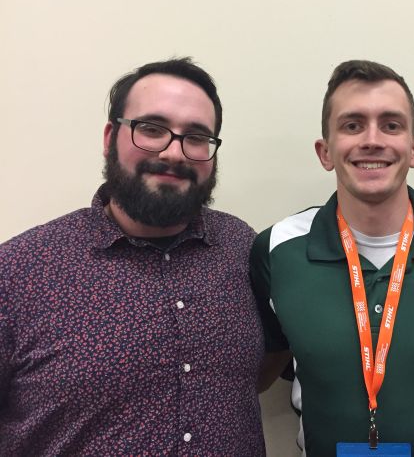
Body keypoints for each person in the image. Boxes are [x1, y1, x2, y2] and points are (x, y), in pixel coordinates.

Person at [0, 58, 267, 455]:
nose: (175, 152)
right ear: (110, 138)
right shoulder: (18, 272)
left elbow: (264, 366)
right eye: (152, 129)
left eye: (196, 136)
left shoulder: (242, 248)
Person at [250, 60, 414, 457]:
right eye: (352, 125)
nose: (372, 139)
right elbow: (262, 371)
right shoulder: (277, 249)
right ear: (325, 151)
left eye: (391, 125)